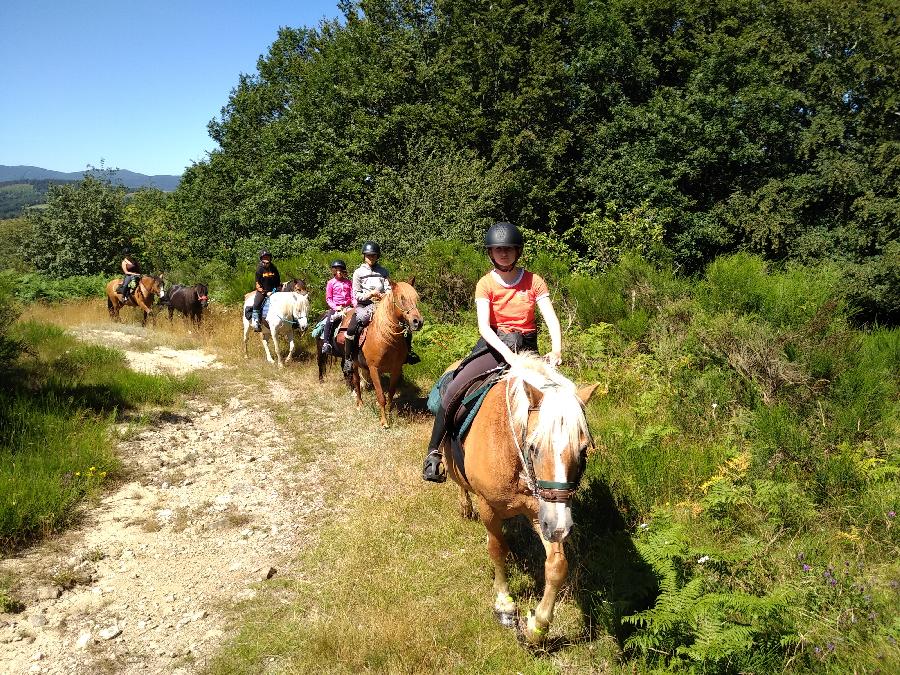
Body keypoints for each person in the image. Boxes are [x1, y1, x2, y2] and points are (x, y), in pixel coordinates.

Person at [421, 221, 563, 482]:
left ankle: (569, 453)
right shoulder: (485, 283)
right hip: (495, 347)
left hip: (528, 349)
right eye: (498, 249)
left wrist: (556, 349)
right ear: (490, 253)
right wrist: (508, 356)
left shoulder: (534, 281)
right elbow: (484, 327)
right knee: (454, 389)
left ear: (517, 251)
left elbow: (550, 318)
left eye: (508, 248)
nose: (504, 253)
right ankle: (434, 453)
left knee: (564, 397)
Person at [321, 259, 354, 354]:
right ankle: (326, 343)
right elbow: (329, 299)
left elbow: (353, 296)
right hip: (336, 308)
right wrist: (336, 307)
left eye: (340, 270)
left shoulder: (348, 282)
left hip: (348, 307)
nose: (339, 272)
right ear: (334, 271)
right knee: (330, 320)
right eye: (337, 270)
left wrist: (355, 305)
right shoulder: (331, 283)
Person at [251, 250, 281, 332]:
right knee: (256, 303)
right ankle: (255, 321)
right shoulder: (259, 269)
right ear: (261, 259)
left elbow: (278, 282)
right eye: (264, 257)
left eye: (267, 257)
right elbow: (257, 283)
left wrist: (274, 291)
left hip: (274, 291)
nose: (266, 259)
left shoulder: (274, 268)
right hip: (263, 291)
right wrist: (264, 292)